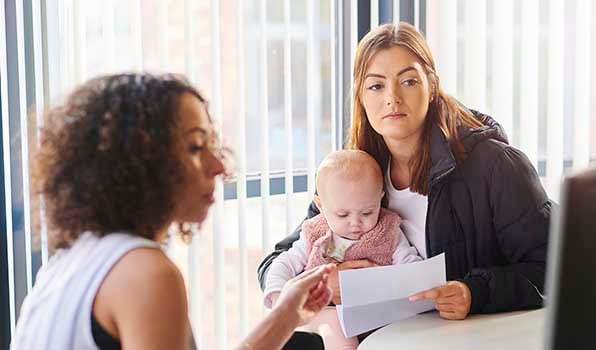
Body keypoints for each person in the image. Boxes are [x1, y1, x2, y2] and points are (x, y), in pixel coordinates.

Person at [11, 73, 334, 350]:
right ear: (138, 165)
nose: (219, 165)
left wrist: (286, 316)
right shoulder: (146, 273)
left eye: (211, 145)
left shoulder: (70, 262)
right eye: (195, 147)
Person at [259, 21, 551, 324]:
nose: (392, 98)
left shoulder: (496, 165)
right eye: (376, 86)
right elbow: (278, 261)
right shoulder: (356, 171)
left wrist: (474, 292)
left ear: (432, 86)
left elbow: (554, 268)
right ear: (361, 96)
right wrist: (325, 286)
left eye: (408, 81)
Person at [263, 150, 422, 349]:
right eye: (342, 214)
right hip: (322, 310)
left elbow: (412, 267)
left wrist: (389, 281)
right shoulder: (314, 232)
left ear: (380, 198)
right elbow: (284, 262)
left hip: (375, 314)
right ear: (320, 206)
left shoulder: (388, 230)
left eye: (367, 212)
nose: (355, 223)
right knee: (335, 324)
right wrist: (280, 296)